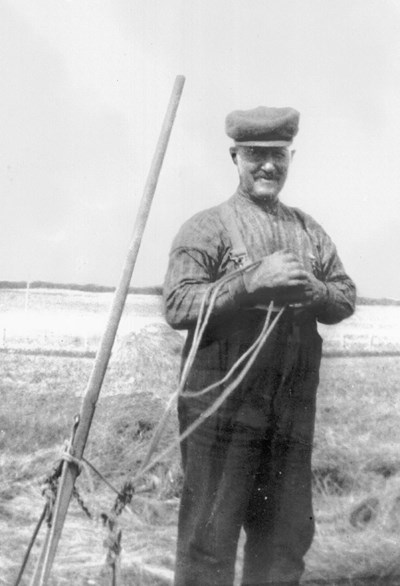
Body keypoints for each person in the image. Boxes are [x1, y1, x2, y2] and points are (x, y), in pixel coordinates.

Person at [163, 106, 356, 586]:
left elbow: (345, 295)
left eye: (278, 154)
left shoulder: (309, 231)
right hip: (221, 414)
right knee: (209, 543)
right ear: (235, 156)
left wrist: (318, 292)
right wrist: (250, 282)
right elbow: (178, 304)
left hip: (290, 415)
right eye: (256, 155)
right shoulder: (205, 228)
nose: (268, 166)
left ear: (290, 156)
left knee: (283, 543)